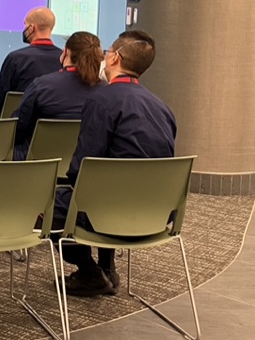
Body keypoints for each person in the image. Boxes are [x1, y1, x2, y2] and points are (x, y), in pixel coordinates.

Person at [56, 30, 177, 297]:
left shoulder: (101, 101)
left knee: (49, 203)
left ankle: (90, 273)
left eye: (108, 51)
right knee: (107, 191)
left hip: (108, 215)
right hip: (156, 217)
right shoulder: (163, 109)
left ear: (115, 58)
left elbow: (81, 171)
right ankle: (107, 268)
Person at [12, 31, 105, 160]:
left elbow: (17, 128)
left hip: (38, 163)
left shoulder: (41, 85)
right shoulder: (107, 91)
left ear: (66, 52)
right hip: (84, 164)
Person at [0, 7, 63, 119]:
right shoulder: (63, 59)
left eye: (25, 25)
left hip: (18, 125)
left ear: (32, 28)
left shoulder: (15, 59)